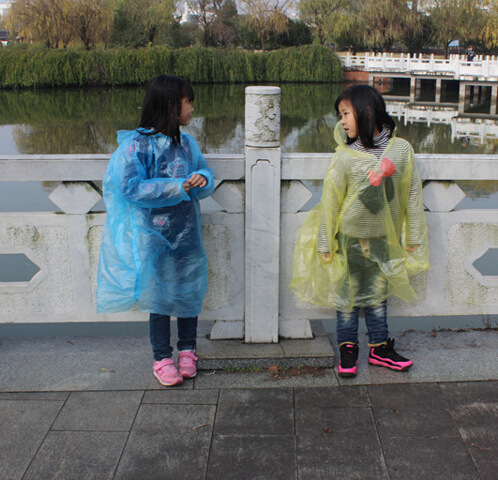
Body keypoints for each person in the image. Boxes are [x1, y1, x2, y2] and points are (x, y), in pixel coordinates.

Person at [289, 85, 429, 378]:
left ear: (367, 111)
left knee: (378, 297)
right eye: (340, 115)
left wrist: (414, 238)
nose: (341, 122)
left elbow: (413, 196)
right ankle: (348, 347)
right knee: (347, 298)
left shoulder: (401, 150)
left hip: (383, 239)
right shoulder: (344, 157)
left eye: (345, 114)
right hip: (348, 239)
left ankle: (379, 348)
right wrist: (326, 241)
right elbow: (330, 201)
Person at [97, 75, 215, 387]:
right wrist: (177, 186)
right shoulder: (137, 146)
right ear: (171, 106)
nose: (192, 109)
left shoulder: (186, 144)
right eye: (188, 102)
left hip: (186, 233)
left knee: (188, 290)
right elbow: (130, 188)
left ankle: (188, 349)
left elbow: (204, 171)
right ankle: (162, 356)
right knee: (159, 297)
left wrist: (202, 177)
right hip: (153, 237)